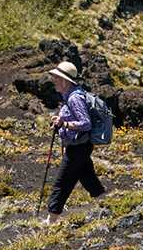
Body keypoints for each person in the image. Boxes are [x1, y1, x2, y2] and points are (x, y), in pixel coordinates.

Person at [43, 61, 105, 224]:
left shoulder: (74, 97)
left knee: (62, 182)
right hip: (80, 146)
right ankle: (107, 206)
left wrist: (65, 124)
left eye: (56, 78)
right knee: (87, 177)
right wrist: (60, 119)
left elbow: (85, 123)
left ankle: (51, 220)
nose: (53, 80)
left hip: (78, 148)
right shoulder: (70, 95)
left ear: (64, 80)